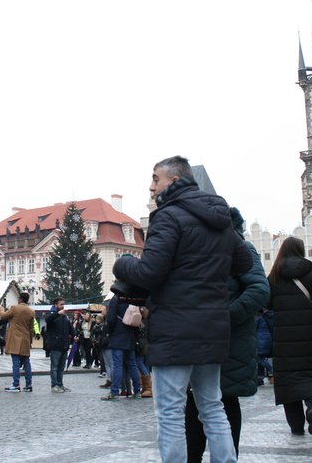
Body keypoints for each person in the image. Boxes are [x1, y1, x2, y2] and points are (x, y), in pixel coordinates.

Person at [112, 155, 238, 463]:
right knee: (212, 406)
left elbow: (150, 273)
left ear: (175, 181)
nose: (151, 186)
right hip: (212, 325)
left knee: (170, 411)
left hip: (176, 327)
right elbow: (239, 265)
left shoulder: (168, 216)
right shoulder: (221, 220)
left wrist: (123, 264)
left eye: (156, 178)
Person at [185, 206, 270, 459]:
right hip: (200, 336)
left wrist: (226, 316)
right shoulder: (200, 251)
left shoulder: (242, 249)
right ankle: (193, 458)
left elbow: (259, 290)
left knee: (226, 398)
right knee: (194, 400)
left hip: (232, 338)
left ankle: (227, 456)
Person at [267, 236, 312, 436]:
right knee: (310, 373)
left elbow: (267, 305)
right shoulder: (310, 271)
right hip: (309, 334)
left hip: (284, 338)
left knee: (289, 382)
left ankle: (296, 426)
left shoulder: (274, 275)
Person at [103, 290, 142, 400]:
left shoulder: (116, 299)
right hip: (130, 335)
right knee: (133, 365)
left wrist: (109, 332)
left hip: (118, 335)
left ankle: (114, 391)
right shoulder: (133, 297)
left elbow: (110, 319)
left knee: (117, 364)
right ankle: (137, 391)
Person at [0, 291, 36, 392]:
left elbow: (4, 316)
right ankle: (28, 384)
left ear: (20, 299)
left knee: (15, 362)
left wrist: (0, 309)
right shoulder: (31, 311)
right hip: (26, 339)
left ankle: (16, 384)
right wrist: (30, 341)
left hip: (15, 339)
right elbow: (31, 328)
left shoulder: (14, 308)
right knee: (27, 362)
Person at [44, 297, 75, 392]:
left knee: (61, 367)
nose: (63, 306)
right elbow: (48, 320)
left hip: (64, 345)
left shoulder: (65, 316)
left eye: (63, 304)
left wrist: (75, 335)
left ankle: (60, 384)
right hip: (55, 345)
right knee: (54, 367)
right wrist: (58, 314)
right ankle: (54, 385)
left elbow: (70, 328)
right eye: (61, 304)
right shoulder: (52, 314)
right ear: (55, 305)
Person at [256, 309, 274, 385]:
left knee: (259, 357)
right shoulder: (269, 316)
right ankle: (260, 378)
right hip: (268, 339)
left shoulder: (258, 317)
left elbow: (253, 327)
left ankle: (273, 371)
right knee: (262, 357)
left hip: (261, 340)